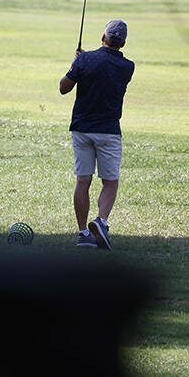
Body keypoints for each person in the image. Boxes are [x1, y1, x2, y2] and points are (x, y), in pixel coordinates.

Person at [59, 19, 134, 250]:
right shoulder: (128, 66)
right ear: (123, 43)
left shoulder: (84, 59)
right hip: (108, 131)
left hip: (81, 129)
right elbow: (103, 69)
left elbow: (63, 87)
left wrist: (76, 65)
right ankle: (101, 221)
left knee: (83, 180)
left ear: (103, 37)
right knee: (110, 182)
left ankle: (83, 233)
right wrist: (81, 63)